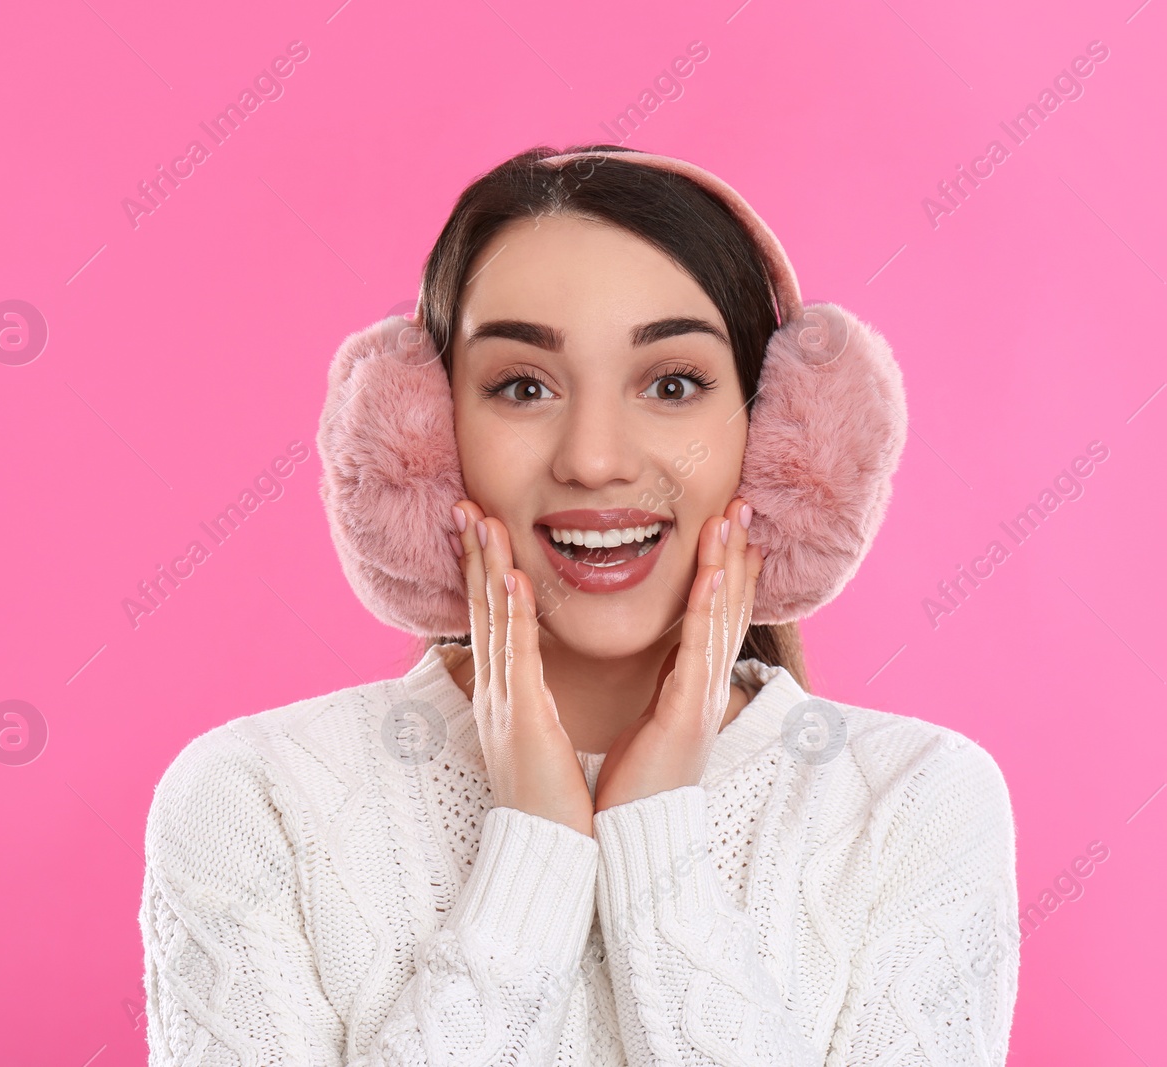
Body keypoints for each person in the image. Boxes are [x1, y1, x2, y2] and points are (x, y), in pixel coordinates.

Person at [138, 144, 1020, 1065]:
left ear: (779, 442)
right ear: (425, 442)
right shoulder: (257, 800)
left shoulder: (915, 805)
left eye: (672, 385)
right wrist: (533, 854)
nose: (594, 459)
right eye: (523, 387)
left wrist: (659, 853)